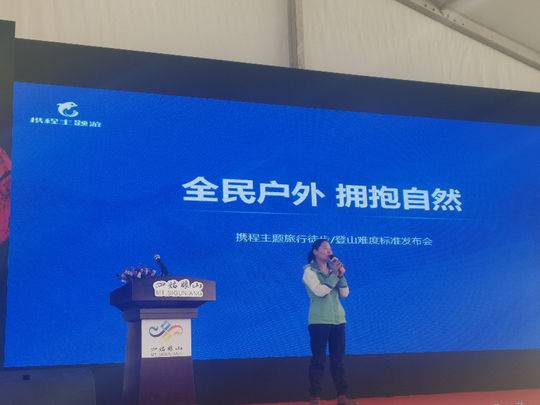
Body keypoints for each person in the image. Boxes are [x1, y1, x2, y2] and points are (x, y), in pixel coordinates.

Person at [303, 239, 358, 405]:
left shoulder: (333, 270)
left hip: (338, 319)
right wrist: (335, 275)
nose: (329, 251)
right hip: (319, 320)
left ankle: (342, 397)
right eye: (325, 248)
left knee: (338, 361)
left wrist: (340, 274)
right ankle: (315, 397)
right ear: (315, 251)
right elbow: (320, 291)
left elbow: (345, 294)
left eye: (330, 248)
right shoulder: (309, 271)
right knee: (318, 360)